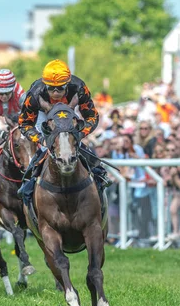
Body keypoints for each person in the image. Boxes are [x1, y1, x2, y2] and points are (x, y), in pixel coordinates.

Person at [17, 59, 112, 201]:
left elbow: (92, 116)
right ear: (45, 85)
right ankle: (28, 183)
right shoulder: (35, 94)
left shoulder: (79, 88)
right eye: (51, 88)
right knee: (44, 150)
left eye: (60, 88)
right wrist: (42, 139)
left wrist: (79, 135)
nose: (55, 92)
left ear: (68, 84)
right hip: (45, 115)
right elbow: (24, 123)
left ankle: (99, 174)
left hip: (70, 114)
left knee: (75, 145)